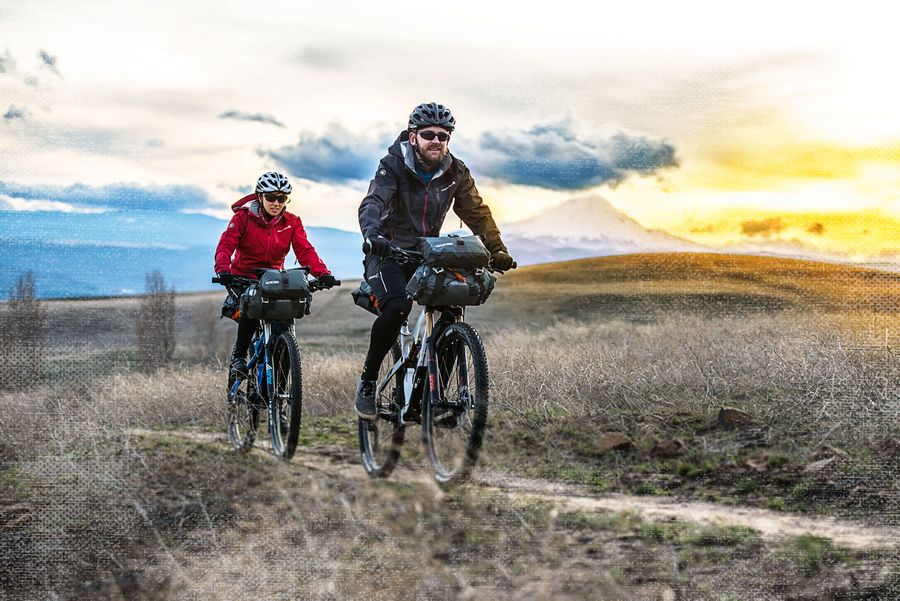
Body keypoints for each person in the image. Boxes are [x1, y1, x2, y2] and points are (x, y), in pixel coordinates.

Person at [355, 101, 515, 420]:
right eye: (428, 134)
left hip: (428, 253)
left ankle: (435, 397)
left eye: (443, 136)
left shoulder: (455, 171)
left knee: (452, 311)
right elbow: (373, 201)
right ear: (413, 137)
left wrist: (497, 249)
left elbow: (476, 212)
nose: (436, 141)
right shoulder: (393, 164)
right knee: (397, 307)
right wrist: (372, 235)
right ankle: (368, 382)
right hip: (388, 251)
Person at [215, 171, 336, 379]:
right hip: (243, 277)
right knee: (250, 308)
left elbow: (305, 250)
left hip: (272, 278)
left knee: (284, 323)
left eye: (282, 198)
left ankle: (280, 393)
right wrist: (223, 270)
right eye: (271, 197)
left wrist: (323, 273)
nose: (276, 203)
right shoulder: (243, 218)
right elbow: (227, 244)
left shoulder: (292, 222)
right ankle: (239, 357)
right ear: (260, 197)